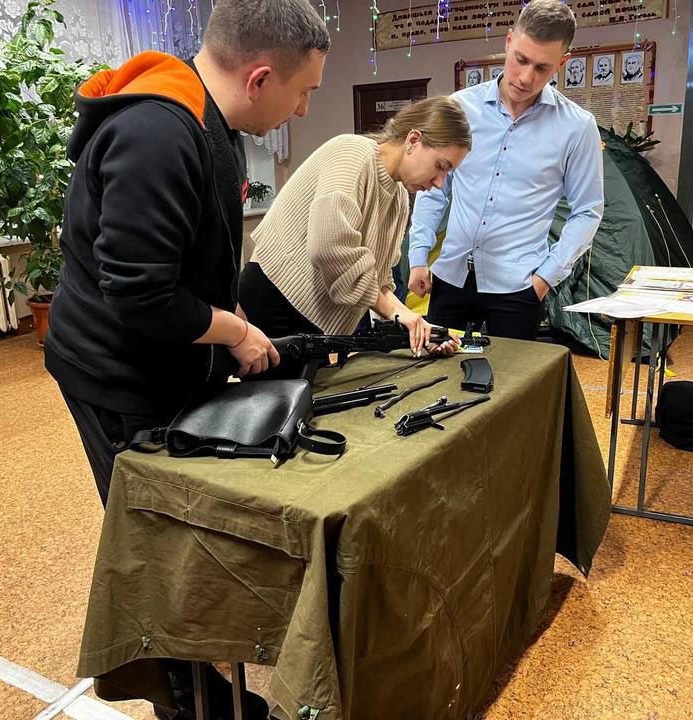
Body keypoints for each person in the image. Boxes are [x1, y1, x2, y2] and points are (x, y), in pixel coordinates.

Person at [43, 1, 329, 717]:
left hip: (161, 359)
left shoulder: (211, 124)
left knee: (184, 526)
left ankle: (196, 677)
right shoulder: (158, 132)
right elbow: (140, 292)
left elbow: (190, 262)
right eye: (304, 92)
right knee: (156, 535)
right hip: (113, 373)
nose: (301, 108)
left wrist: (226, 327)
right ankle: (182, 696)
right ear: (259, 78)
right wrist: (231, 331)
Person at [407, 0, 604, 340]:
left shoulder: (577, 128)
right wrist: (418, 256)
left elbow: (587, 211)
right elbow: (436, 189)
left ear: (562, 63)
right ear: (509, 41)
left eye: (542, 68)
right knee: (436, 367)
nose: (526, 78)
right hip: (451, 277)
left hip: (519, 288)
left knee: (512, 373)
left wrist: (544, 279)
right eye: (521, 60)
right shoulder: (460, 108)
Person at [238, 96, 472, 356]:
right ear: (413, 140)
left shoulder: (398, 198)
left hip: (316, 322)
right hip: (276, 302)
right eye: (440, 167)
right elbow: (330, 248)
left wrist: (420, 328)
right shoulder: (353, 152)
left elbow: (377, 280)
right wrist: (397, 312)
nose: (440, 183)